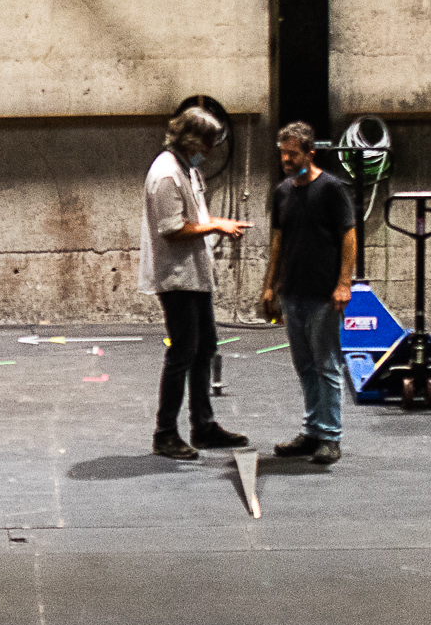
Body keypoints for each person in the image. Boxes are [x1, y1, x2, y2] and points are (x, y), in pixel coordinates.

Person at [142, 104, 247, 460]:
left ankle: (202, 425)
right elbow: (171, 229)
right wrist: (216, 226)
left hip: (194, 276)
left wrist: (216, 221)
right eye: (209, 142)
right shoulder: (167, 174)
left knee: (205, 348)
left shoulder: (186, 170)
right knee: (183, 352)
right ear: (192, 140)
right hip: (177, 278)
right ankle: (165, 433)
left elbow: (192, 218)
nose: (213, 150)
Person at [258, 120, 358, 465]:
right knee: (304, 366)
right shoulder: (282, 191)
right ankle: (313, 429)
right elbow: (277, 242)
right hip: (293, 292)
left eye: (293, 154)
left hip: (323, 293)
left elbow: (348, 235)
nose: (286, 159)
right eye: (283, 154)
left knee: (326, 364)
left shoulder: (331, 189)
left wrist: (344, 283)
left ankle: (330, 436)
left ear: (310, 153)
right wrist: (270, 286)